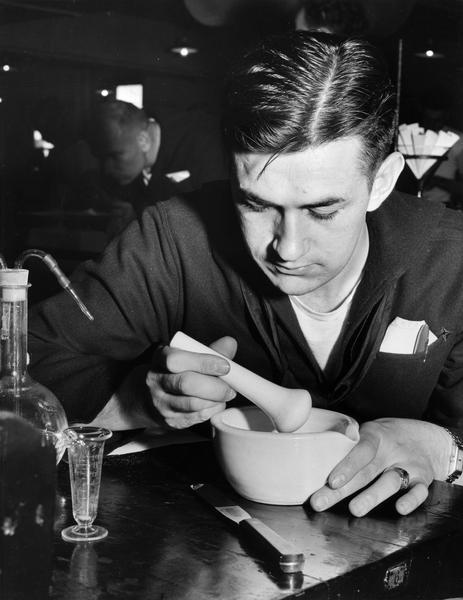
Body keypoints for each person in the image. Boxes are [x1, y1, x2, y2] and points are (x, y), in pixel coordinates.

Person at [29, 31, 463, 519]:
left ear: (381, 182)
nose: (287, 248)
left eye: (323, 210)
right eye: (256, 204)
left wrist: (445, 448)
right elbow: (27, 362)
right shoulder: (175, 238)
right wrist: (137, 402)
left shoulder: (451, 260)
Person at [86, 100, 229, 236]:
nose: (107, 169)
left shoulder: (202, 144)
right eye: (102, 159)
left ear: (143, 140)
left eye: (114, 156)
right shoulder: (132, 162)